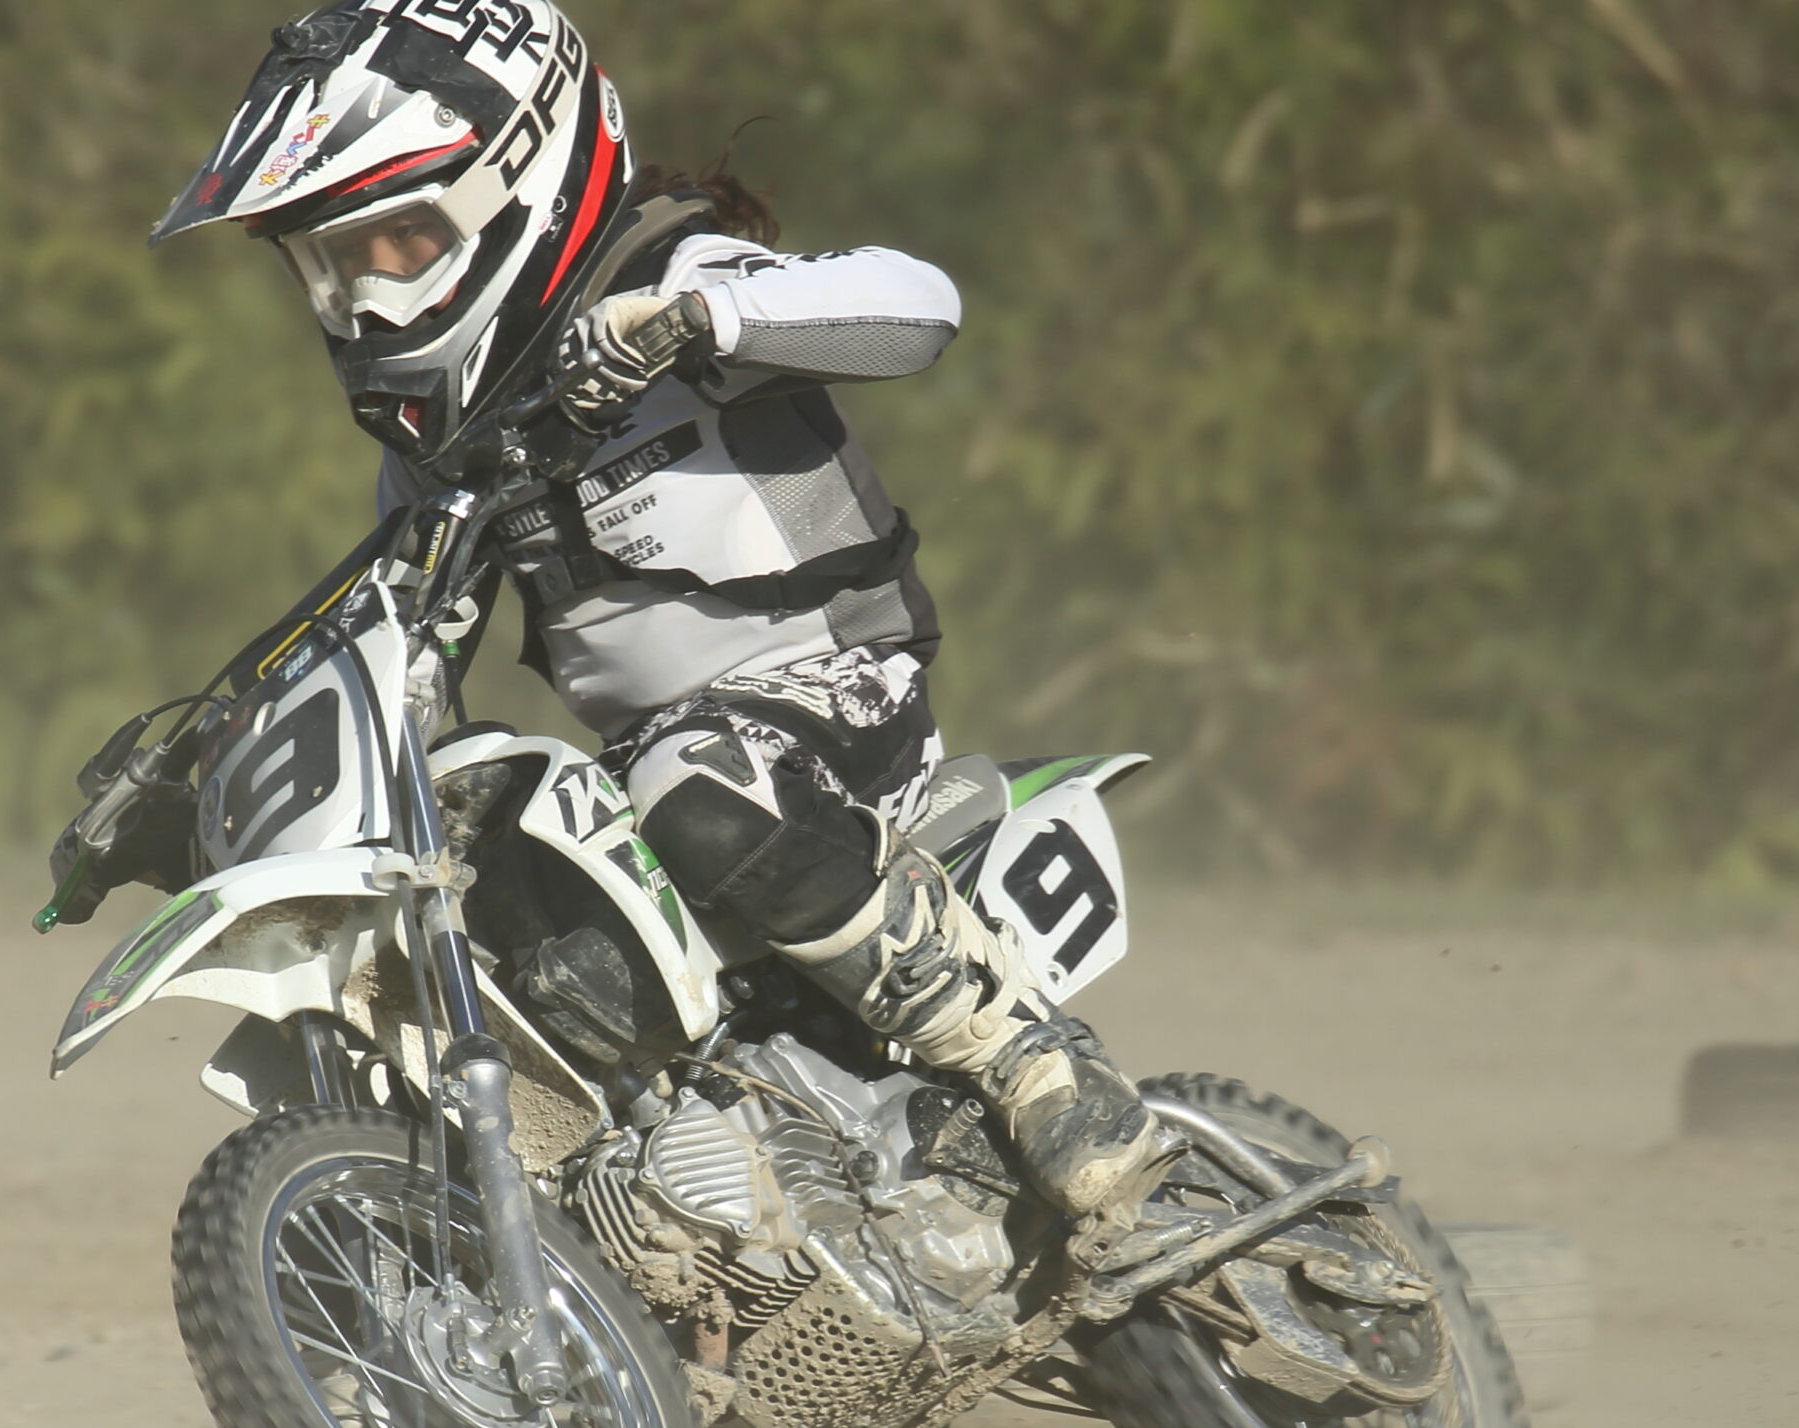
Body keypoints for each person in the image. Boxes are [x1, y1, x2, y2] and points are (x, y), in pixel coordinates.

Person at [148, 0, 1171, 1234]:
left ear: (510, 183)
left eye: (396, 242)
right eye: (329, 263)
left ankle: (1030, 1058)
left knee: (693, 784)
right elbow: (397, 646)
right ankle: (686, 1221)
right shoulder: (432, 450)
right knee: (494, 889)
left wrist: (694, 321)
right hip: (656, 763)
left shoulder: (664, 280)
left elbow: (919, 305)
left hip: (832, 692)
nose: (363, 297)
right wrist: (217, 786)